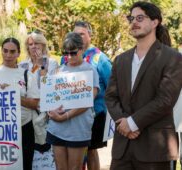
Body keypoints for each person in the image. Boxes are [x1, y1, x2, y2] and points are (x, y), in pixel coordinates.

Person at [105, 1, 182, 170]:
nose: (134, 22)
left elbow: (165, 100)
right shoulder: (121, 59)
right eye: (131, 18)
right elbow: (110, 96)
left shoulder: (172, 57)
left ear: (155, 22)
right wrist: (123, 124)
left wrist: (132, 123)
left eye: (140, 18)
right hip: (122, 149)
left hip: (154, 149)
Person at [62, 21, 112, 170]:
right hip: (70, 114)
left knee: (91, 150)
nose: (79, 37)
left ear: (90, 36)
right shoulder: (66, 56)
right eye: (76, 34)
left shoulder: (100, 58)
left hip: (95, 113)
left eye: (82, 34)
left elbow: (112, 84)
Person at [46, 32, 99, 170]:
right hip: (56, 128)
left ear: (81, 50)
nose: (69, 57)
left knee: (75, 168)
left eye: (73, 53)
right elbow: (49, 99)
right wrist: (52, 112)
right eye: (65, 53)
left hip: (78, 130)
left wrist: (65, 116)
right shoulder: (58, 71)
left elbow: (87, 102)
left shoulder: (90, 70)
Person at [0, 37, 39, 170]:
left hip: (24, 128)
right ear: (1, 51)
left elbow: (35, 103)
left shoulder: (27, 75)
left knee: (25, 165)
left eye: (12, 51)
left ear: (18, 53)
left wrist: (13, 94)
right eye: (5, 51)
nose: (8, 55)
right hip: (0, 130)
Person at [19, 31, 58, 151]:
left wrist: (41, 64)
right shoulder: (22, 65)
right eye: (31, 44)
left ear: (43, 45)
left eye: (37, 43)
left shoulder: (52, 63)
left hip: (45, 113)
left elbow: (49, 86)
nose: (34, 46)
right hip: (27, 113)